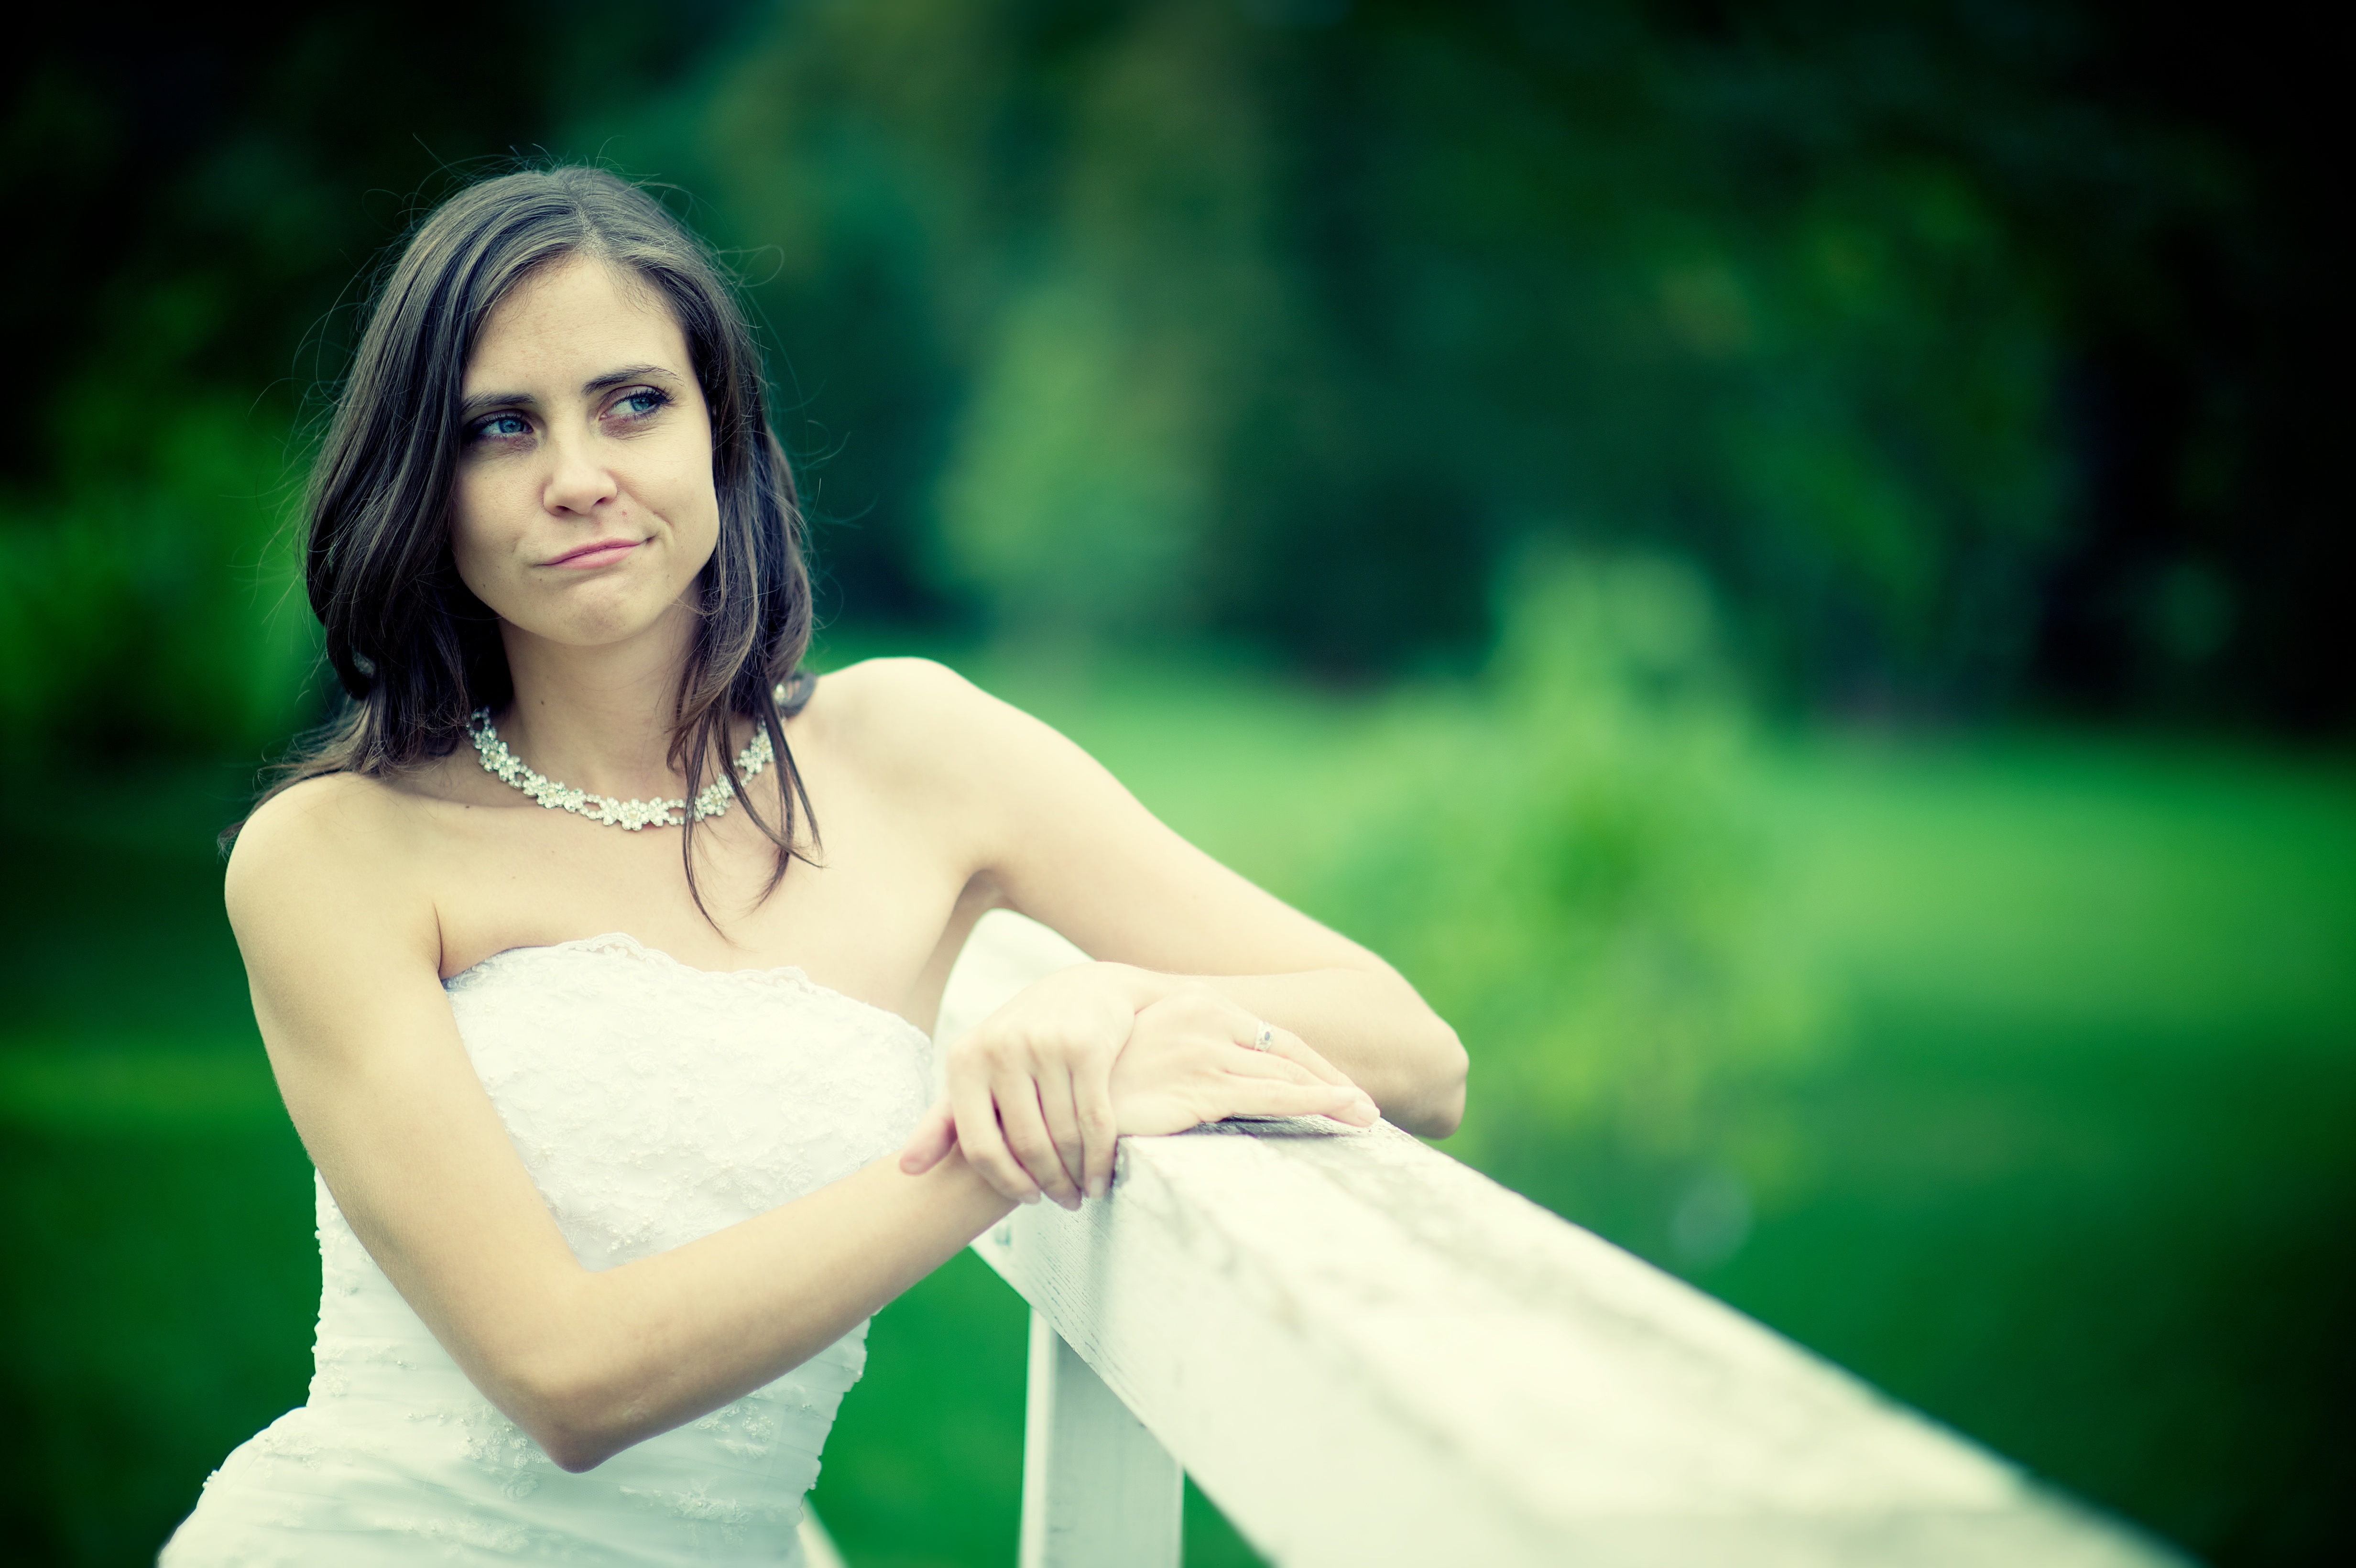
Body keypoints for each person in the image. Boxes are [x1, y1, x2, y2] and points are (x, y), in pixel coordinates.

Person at [161, 165, 1466, 1565]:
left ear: (721, 430)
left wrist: (1109, 1011)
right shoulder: (335, 855)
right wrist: (998, 1149)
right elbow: (564, 1378)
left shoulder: (918, 755)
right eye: (500, 427)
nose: (578, 478)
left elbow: (1415, 1051)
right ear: (427, 481)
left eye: (633, 403)